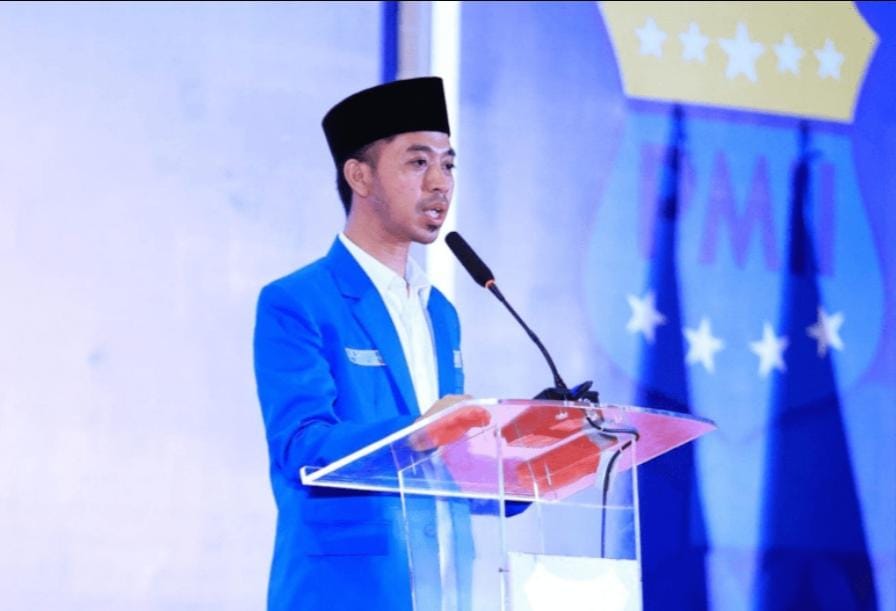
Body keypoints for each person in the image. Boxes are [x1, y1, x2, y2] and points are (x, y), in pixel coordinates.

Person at [253, 77, 489, 611]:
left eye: (449, 165)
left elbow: (450, 466)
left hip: (444, 592)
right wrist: (419, 433)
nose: (440, 183)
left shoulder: (441, 312)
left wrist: (538, 450)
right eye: (418, 162)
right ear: (359, 175)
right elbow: (301, 447)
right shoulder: (298, 301)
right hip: (345, 592)